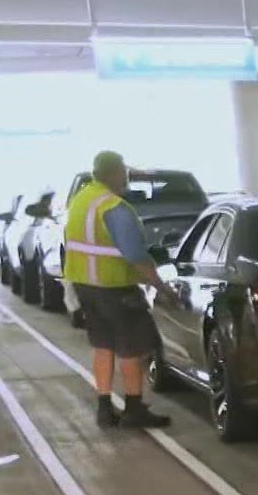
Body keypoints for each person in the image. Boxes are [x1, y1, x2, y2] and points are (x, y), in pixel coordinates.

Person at [62, 150, 176, 429]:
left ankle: (104, 408)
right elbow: (135, 255)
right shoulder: (113, 207)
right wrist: (161, 288)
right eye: (123, 169)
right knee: (131, 347)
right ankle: (134, 408)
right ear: (113, 172)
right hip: (116, 288)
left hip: (85, 286)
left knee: (102, 345)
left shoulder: (81, 200)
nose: (126, 174)